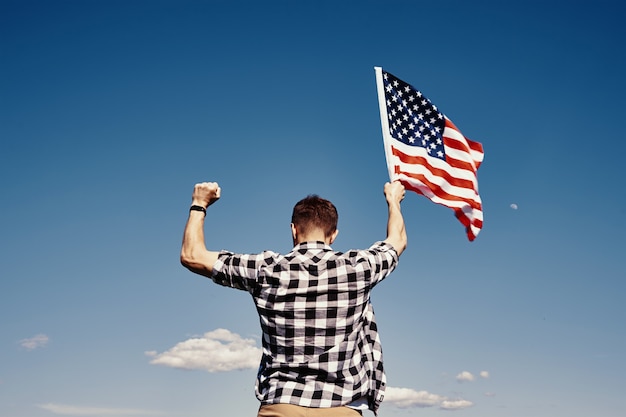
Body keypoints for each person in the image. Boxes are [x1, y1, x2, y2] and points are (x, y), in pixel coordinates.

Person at [180, 181, 407, 416]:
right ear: (333, 235)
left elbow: (192, 256)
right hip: (341, 408)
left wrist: (199, 203)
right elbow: (397, 241)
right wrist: (393, 201)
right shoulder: (358, 269)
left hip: (281, 405)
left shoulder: (266, 269)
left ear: (293, 229)